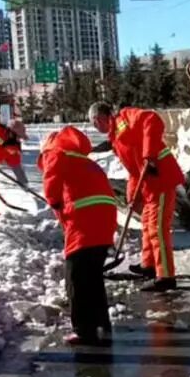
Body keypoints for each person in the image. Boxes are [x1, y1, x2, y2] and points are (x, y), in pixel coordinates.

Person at [89, 101, 184, 292]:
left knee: (157, 229)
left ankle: (166, 276)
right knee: (148, 228)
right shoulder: (116, 138)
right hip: (148, 187)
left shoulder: (124, 118)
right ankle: (149, 266)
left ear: (99, 118)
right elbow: (133, 170)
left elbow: (152, 119)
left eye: (93, 122)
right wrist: (132, 196)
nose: (94, 126)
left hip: (161, 178)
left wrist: (149, 154)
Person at [38, 126, 118, 344]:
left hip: (85, 220)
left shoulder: (56, 152)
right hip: (105, 219)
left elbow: (51, 180)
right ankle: (102, 322)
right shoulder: (87, 162)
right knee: (93, 275)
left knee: (76, 278)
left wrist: (53, 201)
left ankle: (83, 329)